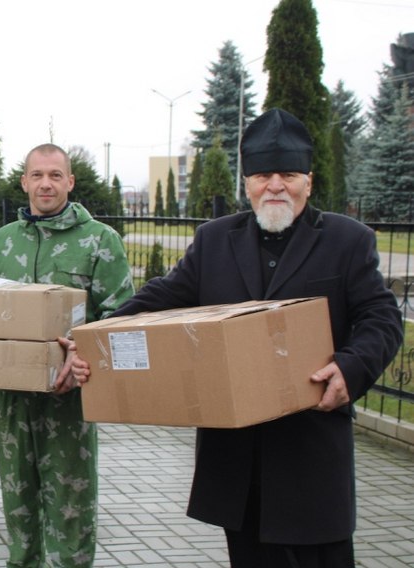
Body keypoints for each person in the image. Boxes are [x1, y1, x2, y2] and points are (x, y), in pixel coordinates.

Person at [73, 108, 403, 567]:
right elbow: (162, 298)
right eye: (263, 174)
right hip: (238, 465)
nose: (275, 185)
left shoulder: (346, 241)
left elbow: (381, 317)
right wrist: (95, 340)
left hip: (310, 454)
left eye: (287, 174)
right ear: (246, 182)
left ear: (307, 178)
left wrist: (351, 367)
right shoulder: (215, 240)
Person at [0, 143, 134, 567]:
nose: (45, 183)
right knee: (18, 505)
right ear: (24, 181)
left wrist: (81, 357)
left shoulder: (100, 241)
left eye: (54, 175)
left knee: (70, 508)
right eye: (37, 175)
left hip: (71, 399)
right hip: (11, 399)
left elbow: (122, 320)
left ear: (70, 181)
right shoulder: (1, 242)